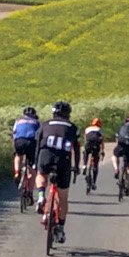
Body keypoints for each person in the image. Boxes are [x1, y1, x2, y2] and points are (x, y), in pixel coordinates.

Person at [34, 99, 80, 241]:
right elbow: (76, 149)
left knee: (41, 174)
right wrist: (76, 166)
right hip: (63, 160)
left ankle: (41, 196)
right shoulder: (73, 127)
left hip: (45, 155)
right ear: (68, 114)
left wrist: (36, 163)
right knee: (63, 196)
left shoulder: (45, 124)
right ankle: (60, 227)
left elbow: (37, 145)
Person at [11, 105, 42, 183]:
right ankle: (30, 192)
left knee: (18, 155)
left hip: (19, 140)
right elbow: (40, 134)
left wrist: (14, 142)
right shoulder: (37, 122)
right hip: (32, 142)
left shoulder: (18, 120)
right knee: (32, 167)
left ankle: (17, 172)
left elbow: (14, 132)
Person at [81, 115, 105, 188]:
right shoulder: (100, 130)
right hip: (96, 145)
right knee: (95, 164)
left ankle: (84, 165)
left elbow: (85, 139)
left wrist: (84, 149)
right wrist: (102, 151)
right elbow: (102, 142)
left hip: (88, 144)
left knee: (86, 152)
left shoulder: (87, 129)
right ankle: (94, 182)